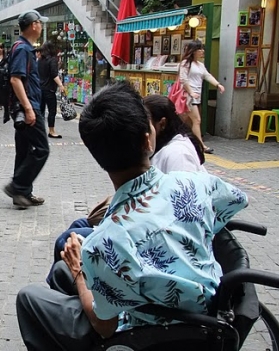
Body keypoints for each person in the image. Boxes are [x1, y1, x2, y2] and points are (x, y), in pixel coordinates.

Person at [16, 82, 248, 350]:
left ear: (97, 155)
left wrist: (80, 270)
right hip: (207, 314)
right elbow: (237, 200)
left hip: (148, 335)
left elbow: (105, 326)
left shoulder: (105, 242)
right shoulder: (195, 184)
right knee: (60, 271)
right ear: (147, 139)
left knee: (29, 296)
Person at [48, 92, 207, 277]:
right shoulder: (182, 180)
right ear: (147, 141)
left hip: (160, 263)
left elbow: (99, 305)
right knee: (77, 228)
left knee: (64, 244)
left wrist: (77, 271)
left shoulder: (112, 242)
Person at [3, 10, 50, 208]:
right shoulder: (22, 49)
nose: (41, 26)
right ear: (33, 25)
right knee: (41, 149)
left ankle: (22, 194)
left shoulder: (23, 47)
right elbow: (15, 79)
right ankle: (18, 186)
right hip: (28, 106)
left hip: (24, 106)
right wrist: (29, 108)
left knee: (23, 150)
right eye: (40, 23)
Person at [178, 39, 224, 154]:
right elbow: (183, 80)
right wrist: (191, 92)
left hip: (195, 96)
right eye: (200, 49)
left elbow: (207, 76)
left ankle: (184, 141)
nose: (202, 51)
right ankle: (201, 145)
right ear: (193, 51)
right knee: (196, 120)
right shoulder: (185, 63)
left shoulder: (200, 65)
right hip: (188, 97)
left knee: (185, 121)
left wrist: (218, 85)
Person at [39, 41, 65, 139]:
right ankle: (51, 131)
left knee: (40, 111)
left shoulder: (40, 60)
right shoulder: (52, 60)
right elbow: (54, 75)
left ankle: (40, 131)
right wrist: (61, 85)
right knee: (52, 111)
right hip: (49, 89)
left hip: (40, 88)